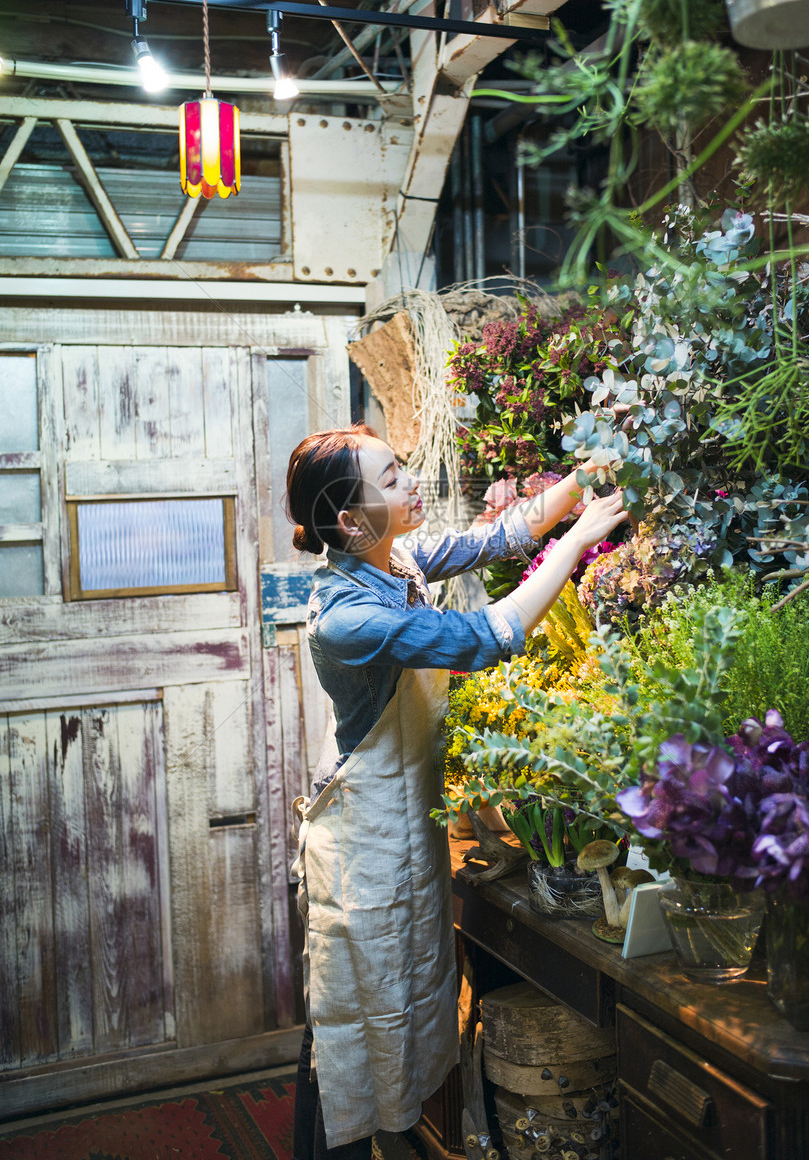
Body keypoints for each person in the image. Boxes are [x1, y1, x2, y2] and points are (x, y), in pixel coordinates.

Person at [285, 423, 628, 1160]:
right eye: (390, 477)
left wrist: (579, 481)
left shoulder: (394, 557)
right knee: (357, 1023)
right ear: (348, 520)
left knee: (407, 1007)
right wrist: (577, 541)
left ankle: (399, 1138)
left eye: (402, 467)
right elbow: (482, 637)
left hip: (404, 829)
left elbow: (498, 537)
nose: (410, 481)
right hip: (361, 846)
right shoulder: (346, 616)